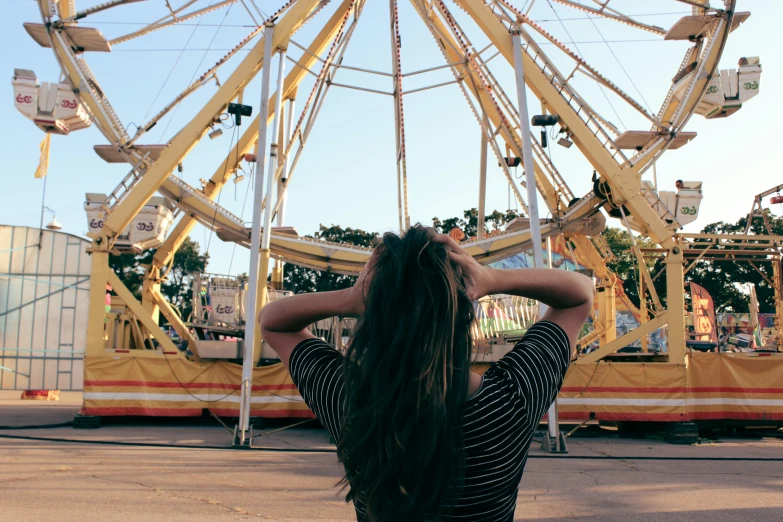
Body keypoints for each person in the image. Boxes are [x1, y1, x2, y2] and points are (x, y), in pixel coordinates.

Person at [259, 225, 593, 522]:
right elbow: (579, 295)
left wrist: (353, 297)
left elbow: (272, 321)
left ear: (372, 315)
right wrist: (493, 279)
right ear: (464, 313)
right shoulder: (511, 402)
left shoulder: (350, 400)